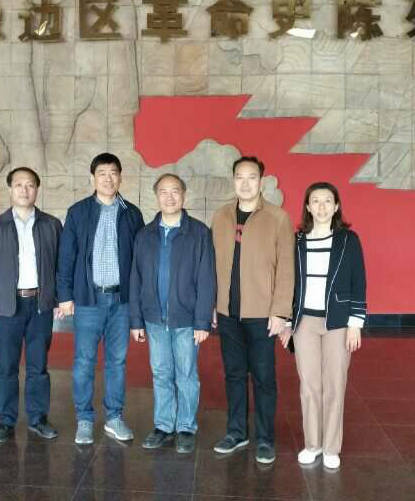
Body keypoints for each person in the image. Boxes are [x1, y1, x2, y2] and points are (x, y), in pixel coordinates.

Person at [211, 156, 295, 464]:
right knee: (234, 374)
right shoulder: (221, 216)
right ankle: (237, 432)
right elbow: (212, 263)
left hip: (262, 314)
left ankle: (265, 438)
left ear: (261, 181)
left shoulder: (277, 217)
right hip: (228, 312)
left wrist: (281, 311)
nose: (245, 183)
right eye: (240, 177)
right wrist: (212, 304)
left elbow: (287, 267)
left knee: (263, 377)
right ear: (233, 180)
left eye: (251, 177)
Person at [56, 153, 144, 445]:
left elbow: (140, 263)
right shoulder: (78, 212)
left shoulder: (132, 214)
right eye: (102, 173)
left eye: (113, 173)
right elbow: (66, 257)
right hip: (88, 300)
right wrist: (65, 295)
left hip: (122, 301)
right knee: (84, 361)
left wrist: (139, 304)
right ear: (92, 178)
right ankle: (84, 419)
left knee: (117, 362)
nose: (108, 178)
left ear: (121, 177)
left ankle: (114, 417)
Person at [129, 173, 216, 454]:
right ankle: (164, 425)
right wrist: (136, 320)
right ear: (156, 196)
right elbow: (135, 278)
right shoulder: (144, 235)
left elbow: (207, 279)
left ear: (184, 195)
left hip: (186, 320)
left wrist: (202, 321)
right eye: (163, 192)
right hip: (154, 319)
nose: (169, 197)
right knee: (161, 373)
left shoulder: (199, 233)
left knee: (186, 374)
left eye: (175, 191)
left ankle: (186, 427)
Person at [0, 166, 63, 443]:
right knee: (7, 367)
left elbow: (60, 266)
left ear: (37, 189)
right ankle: (5, 421)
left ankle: (38, 419)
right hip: (7, 307)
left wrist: (60, 298)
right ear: (10, 189)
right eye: (18, 185)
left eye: (30, 185)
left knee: (38, 366)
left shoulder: (51, 225)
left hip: (40, 306)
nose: (24, 190)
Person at [284, 181, 367, 470]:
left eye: (327, 201)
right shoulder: (297, 241)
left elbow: (359, 282)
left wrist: (355, 324)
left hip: (338, 322)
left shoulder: (348, 240)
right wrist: (287, 322)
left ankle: (331, 447)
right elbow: (289, 283)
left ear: (336, 206)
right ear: (308, 207)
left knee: (334, 385)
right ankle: (313, 445)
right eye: (315, 201)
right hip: (304, 322)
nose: (321, 206)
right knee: (309, 386)